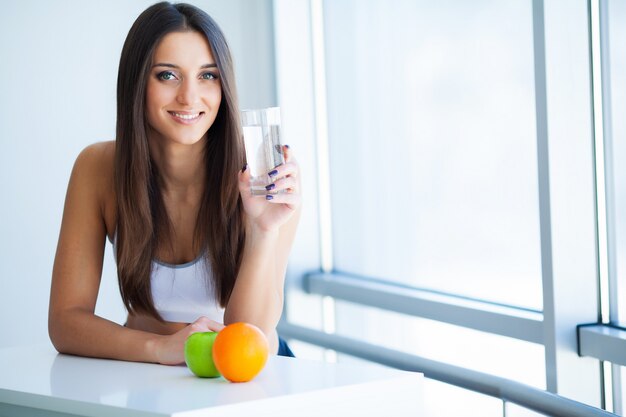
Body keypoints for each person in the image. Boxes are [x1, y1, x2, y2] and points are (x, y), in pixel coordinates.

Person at [48, 2, 301, 365]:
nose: (189, 97)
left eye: (207, 75)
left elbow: (248, 333)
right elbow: (65, 321)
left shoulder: (265, 173)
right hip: (150, 371)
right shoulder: (98, 168)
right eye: (168, 75)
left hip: (248, 372)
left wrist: (262, 229)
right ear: (137, 82)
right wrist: (158, 348)